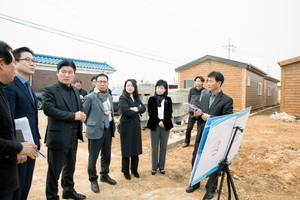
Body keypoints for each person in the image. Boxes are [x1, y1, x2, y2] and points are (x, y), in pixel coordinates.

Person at [43, 60, 87, 200]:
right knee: (54, 171)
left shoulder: (74, 90)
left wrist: (81, 115)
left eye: (70, 72)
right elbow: (48, 109)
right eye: (63, 72)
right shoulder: (50, 89)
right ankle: (52, 196)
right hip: (58, 137)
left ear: (74, 75)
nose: (66, 75)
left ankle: (68, 190)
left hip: (73, 135)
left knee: (70, 167)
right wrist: (73, 116)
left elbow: (76, 109)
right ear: (57, 72)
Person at [186, 71, 233, 199]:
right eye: (207, 80)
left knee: (213, 161)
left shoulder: (227, 100)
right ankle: (194, 183)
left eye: (211, 81)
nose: (208, 83)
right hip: (202, 134)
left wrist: (210, 117)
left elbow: (228, 119)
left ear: (219, 83)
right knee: (196, 158)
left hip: (215, 136)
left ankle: (211, 188)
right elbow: (201, 115)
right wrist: (197, 114)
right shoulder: (205, 96)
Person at [0, 41, 38, 200]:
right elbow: (11, 120)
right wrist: (17, 147)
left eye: (33, 60)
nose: (32, 63)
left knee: (24, 187)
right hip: (16, 149)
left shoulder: (29, 87)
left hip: (29, 146)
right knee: (17, 190)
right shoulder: (9, 85)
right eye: (27, 60)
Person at [82, 73, 116, 193]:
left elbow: (110, 112)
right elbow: (83, 115)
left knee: (106, 155)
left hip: (108, 129)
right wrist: (92, 125)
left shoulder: (109, 97)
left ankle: (104, 175)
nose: (102, 84)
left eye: (104, 81)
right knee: (93, 157)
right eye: (100, 81)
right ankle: (93, 179)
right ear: (95, 83)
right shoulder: (90, 97)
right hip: (95, 130)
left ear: (107, 83)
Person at [119, 79, 145, 180]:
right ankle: (126, 171)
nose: (129, 87)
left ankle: (134, 170)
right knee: (126, 148)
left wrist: (136, 108)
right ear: (125, 87)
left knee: (135, 147)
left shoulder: (136, 98)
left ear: (134, 87)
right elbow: (125, 110)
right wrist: (137, 110)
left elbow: (143, 108)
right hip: (126, 125)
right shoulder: (122, 98)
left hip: (135, 125)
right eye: (128, 85)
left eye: (131, 85)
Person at [146, 79, 173, 175]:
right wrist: (158, 122)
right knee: (154, 147)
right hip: (155, 125)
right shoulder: (152, 99)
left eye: (161, 88)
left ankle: (162, 167)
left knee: (163, 147)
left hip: (165, 125)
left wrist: (164, 122)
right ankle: (154, 167)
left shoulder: (168, 100)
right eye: (158, 87)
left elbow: (169, 113)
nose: (159, 90)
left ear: (165, 89)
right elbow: (151, 113)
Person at [182, 76, 209, 148]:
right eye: (196, 81)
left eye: (199, 81)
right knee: (189, 128)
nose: (198, 82)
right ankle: (186, 142)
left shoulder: (205, 91)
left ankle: (199, 143)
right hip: (192, 112)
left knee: (200, 129)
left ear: (202, 82)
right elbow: (189, 100)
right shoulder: (191, 90)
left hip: (201, 113)